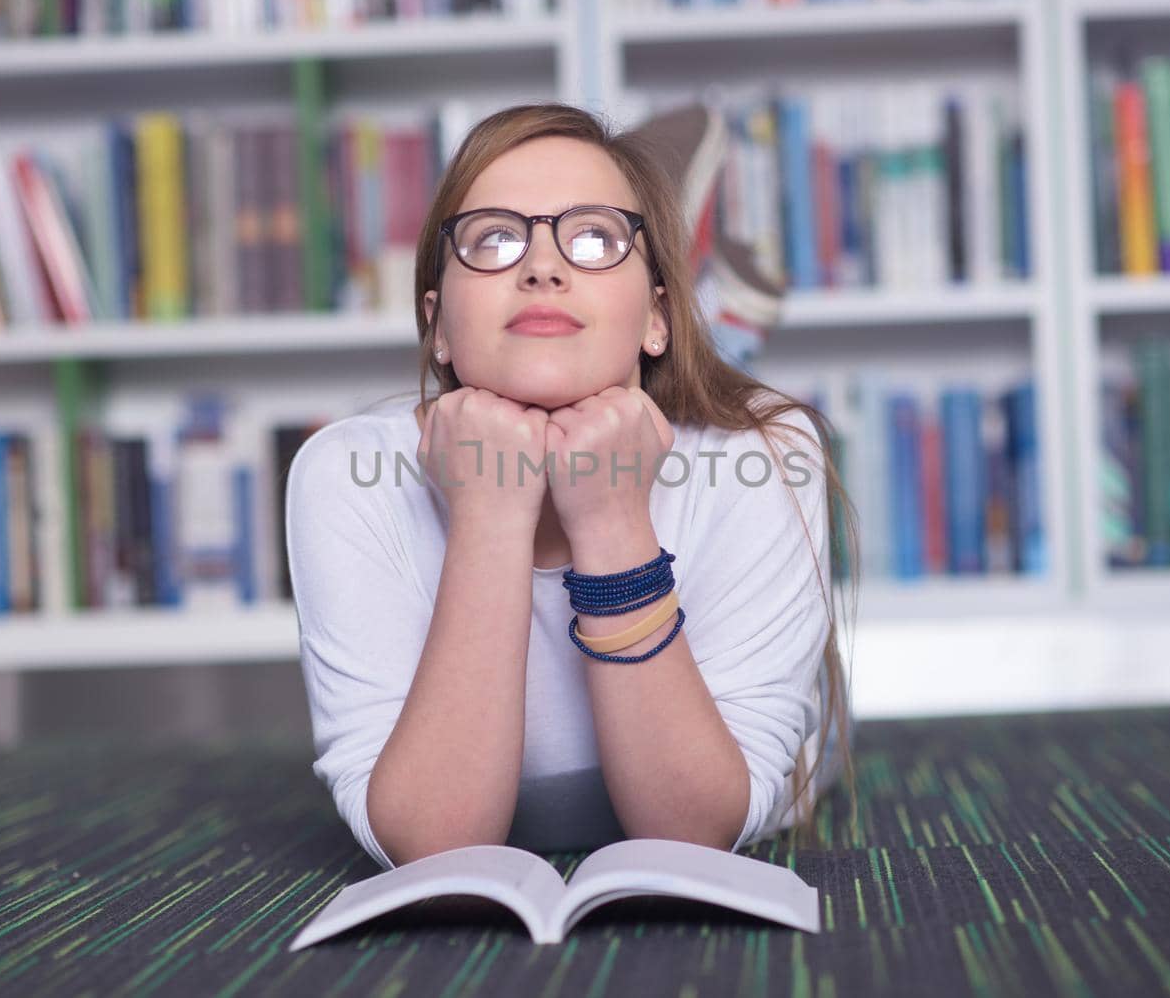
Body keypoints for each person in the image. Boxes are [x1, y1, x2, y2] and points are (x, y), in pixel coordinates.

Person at [286, 103, 858, 871]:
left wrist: (612, 521)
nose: (541, 266)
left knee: (723, 407)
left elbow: (692, 835)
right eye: (494, 238)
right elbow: (433, 845)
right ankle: (681, 271)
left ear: (658, 315)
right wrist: (490, 514)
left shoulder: (766, 455)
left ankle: (715, 314)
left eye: (594, 238)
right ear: (438, 330)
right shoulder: (343, 473)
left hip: (747, 760)